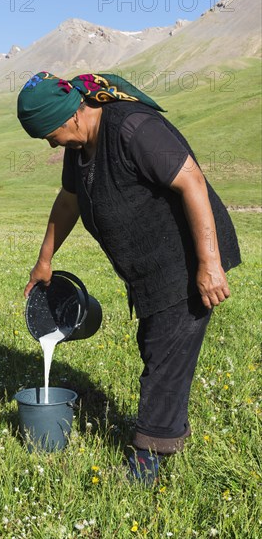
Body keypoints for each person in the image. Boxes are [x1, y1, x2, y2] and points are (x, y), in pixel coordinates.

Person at [17, 71, 241, 486]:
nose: (51, 144)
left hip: (186, 258)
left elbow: (192, 180)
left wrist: (209, 264)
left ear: (75, 114)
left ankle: (147, 462)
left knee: (164, 360)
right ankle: (167, 430)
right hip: (149, 268)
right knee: (156, 347)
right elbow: (69, 200)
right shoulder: (81, 143)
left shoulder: (134, 129)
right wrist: (44, 260)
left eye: (51, 134)